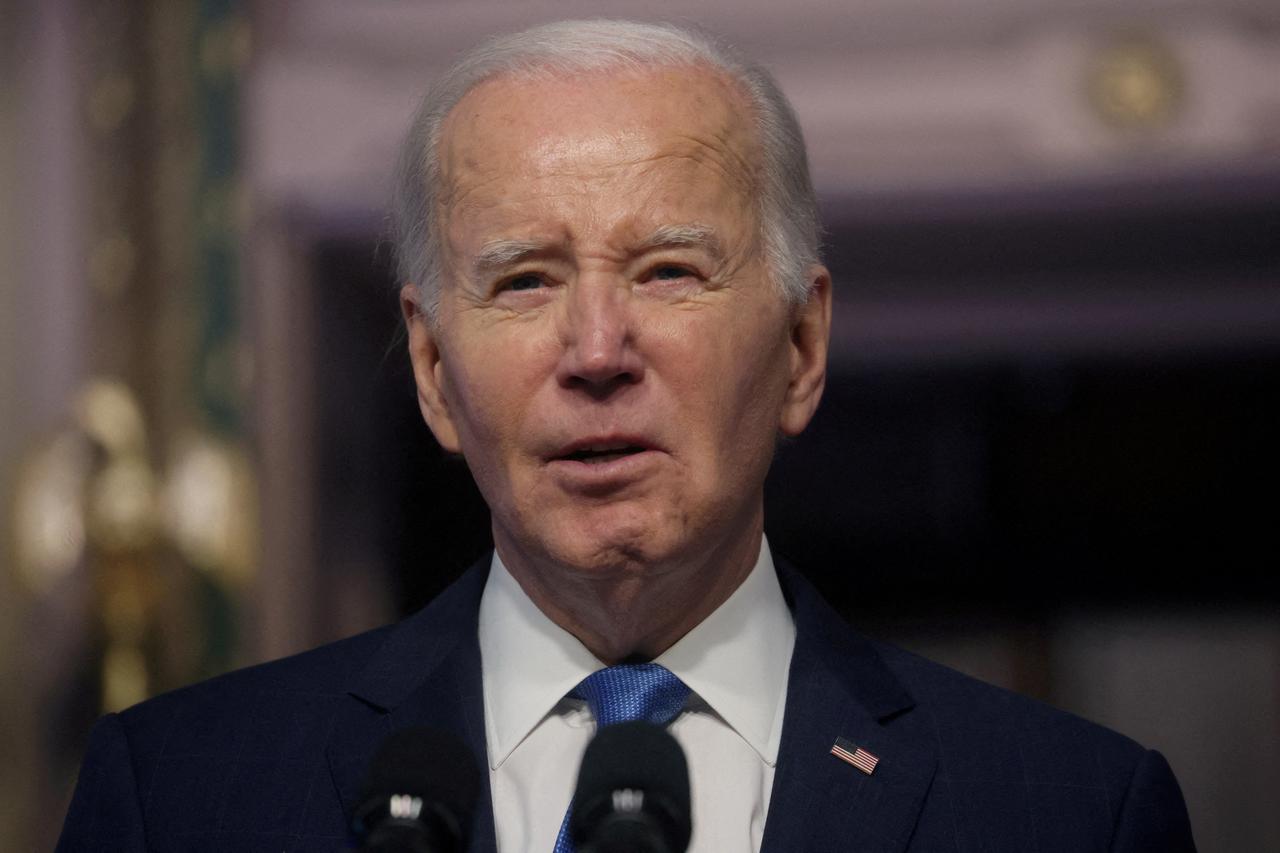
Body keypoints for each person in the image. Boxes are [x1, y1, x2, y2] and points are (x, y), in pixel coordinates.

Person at [57, 19, 1196, 852]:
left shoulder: (1067, 813)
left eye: (666, 270)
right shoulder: (181, 797)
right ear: (431, 371)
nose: (596, 348)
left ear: (799, 347)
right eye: (523, 280)